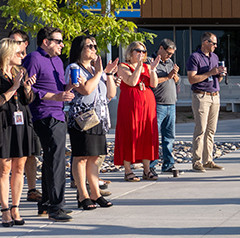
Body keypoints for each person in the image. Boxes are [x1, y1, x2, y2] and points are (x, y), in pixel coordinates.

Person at [0, 38, 39, 227]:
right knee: (4, 168)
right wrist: (14, 87)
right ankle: (5, 209)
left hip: (21, 124)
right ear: (7, 54)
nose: (23, 56)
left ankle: (16, 207)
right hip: (2, 125)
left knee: (19, 168)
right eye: (19, 53)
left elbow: (27, 100)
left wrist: (27, 88)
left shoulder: (20, 72)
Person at [24, 26, 75, 222]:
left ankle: (46, 203)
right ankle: (56, 206)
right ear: (46, 42)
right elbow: (28, 89)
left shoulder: (58, 61)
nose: (62, 45)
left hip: (59, 114)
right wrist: (56, 96)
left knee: (52, 159)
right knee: (56, 160)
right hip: (44, 115)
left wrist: (69, 87)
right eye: (58, 41)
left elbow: (59, 88)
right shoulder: (34, 59)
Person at [67, 35, 118, 209]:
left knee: (94, 158)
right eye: (90, 46)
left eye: (95, 46)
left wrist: (108, 74)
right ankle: (82, 195)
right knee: (81, 157)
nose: (94, 50)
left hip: (100, 119)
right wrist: (98, 74)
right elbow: (86, 89)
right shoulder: (74, 68)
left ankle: (95, 193)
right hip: (82, 119)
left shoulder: (96, 71)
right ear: (80, 49)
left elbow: (110, 94)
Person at [113, 41, 161, 182]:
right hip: (130, 106)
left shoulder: (147, 66)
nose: (141, 54)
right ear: (130, 52)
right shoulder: (123, 66)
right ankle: (128, 170)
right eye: (138, 51)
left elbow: (154, 84)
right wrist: (139, 66)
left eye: (143, 52)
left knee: (146, 134)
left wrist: (152, 70)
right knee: (130, 133)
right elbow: (132, 82)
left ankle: (147, 169)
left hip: (147, 106)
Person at [186, 32, 227, 172]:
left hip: (215, 95)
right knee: (201, 129)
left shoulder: (215, 57)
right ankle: (197, 161)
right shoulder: (195, 57)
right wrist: (210, 73)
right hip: (201, 96)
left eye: (216, 43)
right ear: (205, 42)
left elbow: (217, 78)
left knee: (211, 130)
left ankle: (208, 160)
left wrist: (220, 74)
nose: (215, 46)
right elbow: (191, 79)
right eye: (213, 43)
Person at [151, 39, 180, 174]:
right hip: (157, 104)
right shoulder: (151, 63)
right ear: (161, 48)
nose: (170, 56)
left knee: (169, 137)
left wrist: (175, 76)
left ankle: (168, 164)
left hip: (171, 103)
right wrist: (168, 77)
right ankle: (151, 165)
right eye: (168, 53)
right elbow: (153, 82)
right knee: (154, 136)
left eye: (172, 54)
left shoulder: (170, 62)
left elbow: (176, 80)